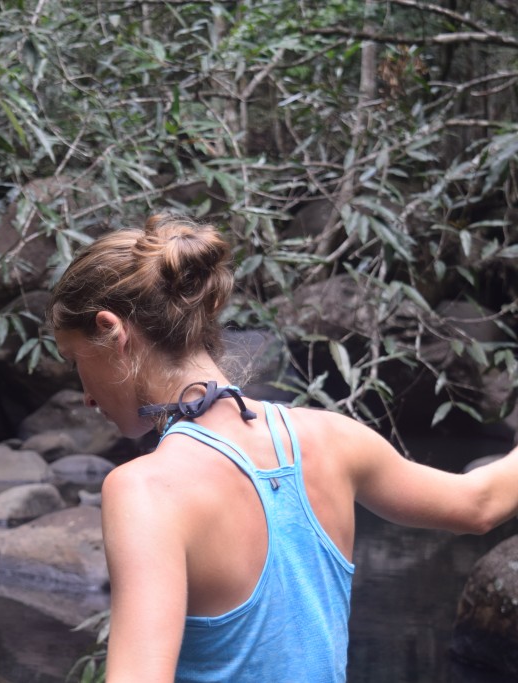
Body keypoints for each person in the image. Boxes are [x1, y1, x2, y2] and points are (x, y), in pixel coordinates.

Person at [46, 212, 518, 683]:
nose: (86, 394)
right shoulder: (335, 438)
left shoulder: (146, 492)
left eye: (75, 360)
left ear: (112, 330)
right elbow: (480, 503)